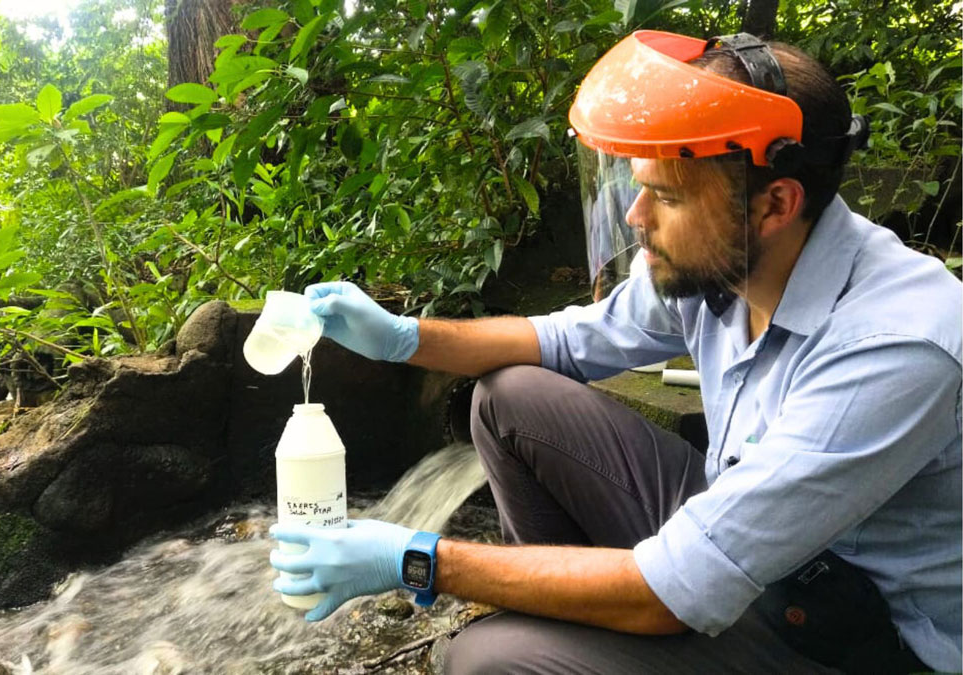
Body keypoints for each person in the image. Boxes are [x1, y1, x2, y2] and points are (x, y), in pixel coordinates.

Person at [267, 30, 962, 674]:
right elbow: (565, 341)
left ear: (774, 203)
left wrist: (419, 560)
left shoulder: (895, 346)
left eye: (664, 196)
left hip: (854, 636)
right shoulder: (725, 258)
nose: (636, 217)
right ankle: (577, 621)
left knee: (487, 660)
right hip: (759, 545)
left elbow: (679, 583)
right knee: (510, 397)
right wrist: (403, 338)